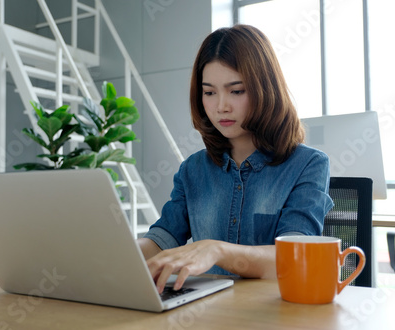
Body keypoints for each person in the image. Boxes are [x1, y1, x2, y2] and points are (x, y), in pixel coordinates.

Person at [138, 24, 334, 294]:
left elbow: (294, 256)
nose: (221, 106)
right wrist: (120, 252)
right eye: (209, 92)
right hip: (204, 312)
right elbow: (162, 239)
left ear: (266, 89)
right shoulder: (192, 170)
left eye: (237, 91)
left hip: (273, 315)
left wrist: (216, 250)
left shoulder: (308, 165)